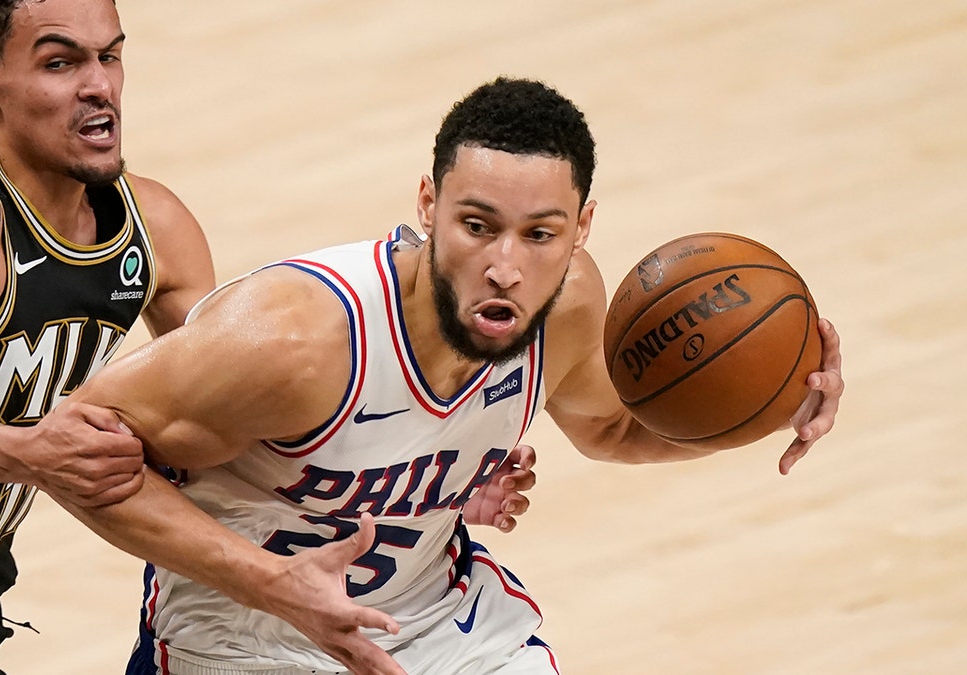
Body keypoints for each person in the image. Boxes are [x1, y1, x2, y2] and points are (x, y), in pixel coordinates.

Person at [0, 2, 525, 673]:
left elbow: (237, 435)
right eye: (60, 62)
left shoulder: (151, 226)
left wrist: (436, 467)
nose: (99, 86)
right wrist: (27, 452)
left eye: (111, 54)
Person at [56, 76, 845, 674]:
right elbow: (73, 447)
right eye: (478, 226)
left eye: (541, 233)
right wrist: (269, 580)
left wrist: (774, 401)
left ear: (583, 228)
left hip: (437, 626)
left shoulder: (568, 307)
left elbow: (614, 425)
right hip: (245, 640)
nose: (507, 266)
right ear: (428, 205)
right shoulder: (295, 338)